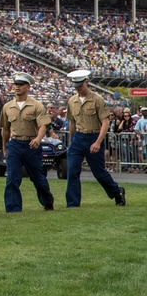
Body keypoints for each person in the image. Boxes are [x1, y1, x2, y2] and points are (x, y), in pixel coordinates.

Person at [64, 69, 126, 207]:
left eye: (80, 85)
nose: (78, 88)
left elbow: (105, 122)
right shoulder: (72, 101)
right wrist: (70, 140)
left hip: (94, 135)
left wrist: (98, 142)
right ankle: (72, 203)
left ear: (87, 82)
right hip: (78, 138)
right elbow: (72, 122)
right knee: (72, 170)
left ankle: (117, 191)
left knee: (99, 173)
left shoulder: (97, 99)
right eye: (76, 86)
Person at [0, 73, 55, 213]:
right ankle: (13, 208)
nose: (17, 87)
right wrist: (4, 146)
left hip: (31, 144)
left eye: (21, 85)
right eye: (16, 84)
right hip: (15, 144)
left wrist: (37, 139)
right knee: (12, 178)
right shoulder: (7, 107)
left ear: (28, 87)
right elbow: (5, 129)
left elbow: (43, 126)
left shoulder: (36, 106)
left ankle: (47, 200)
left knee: (38, 178)